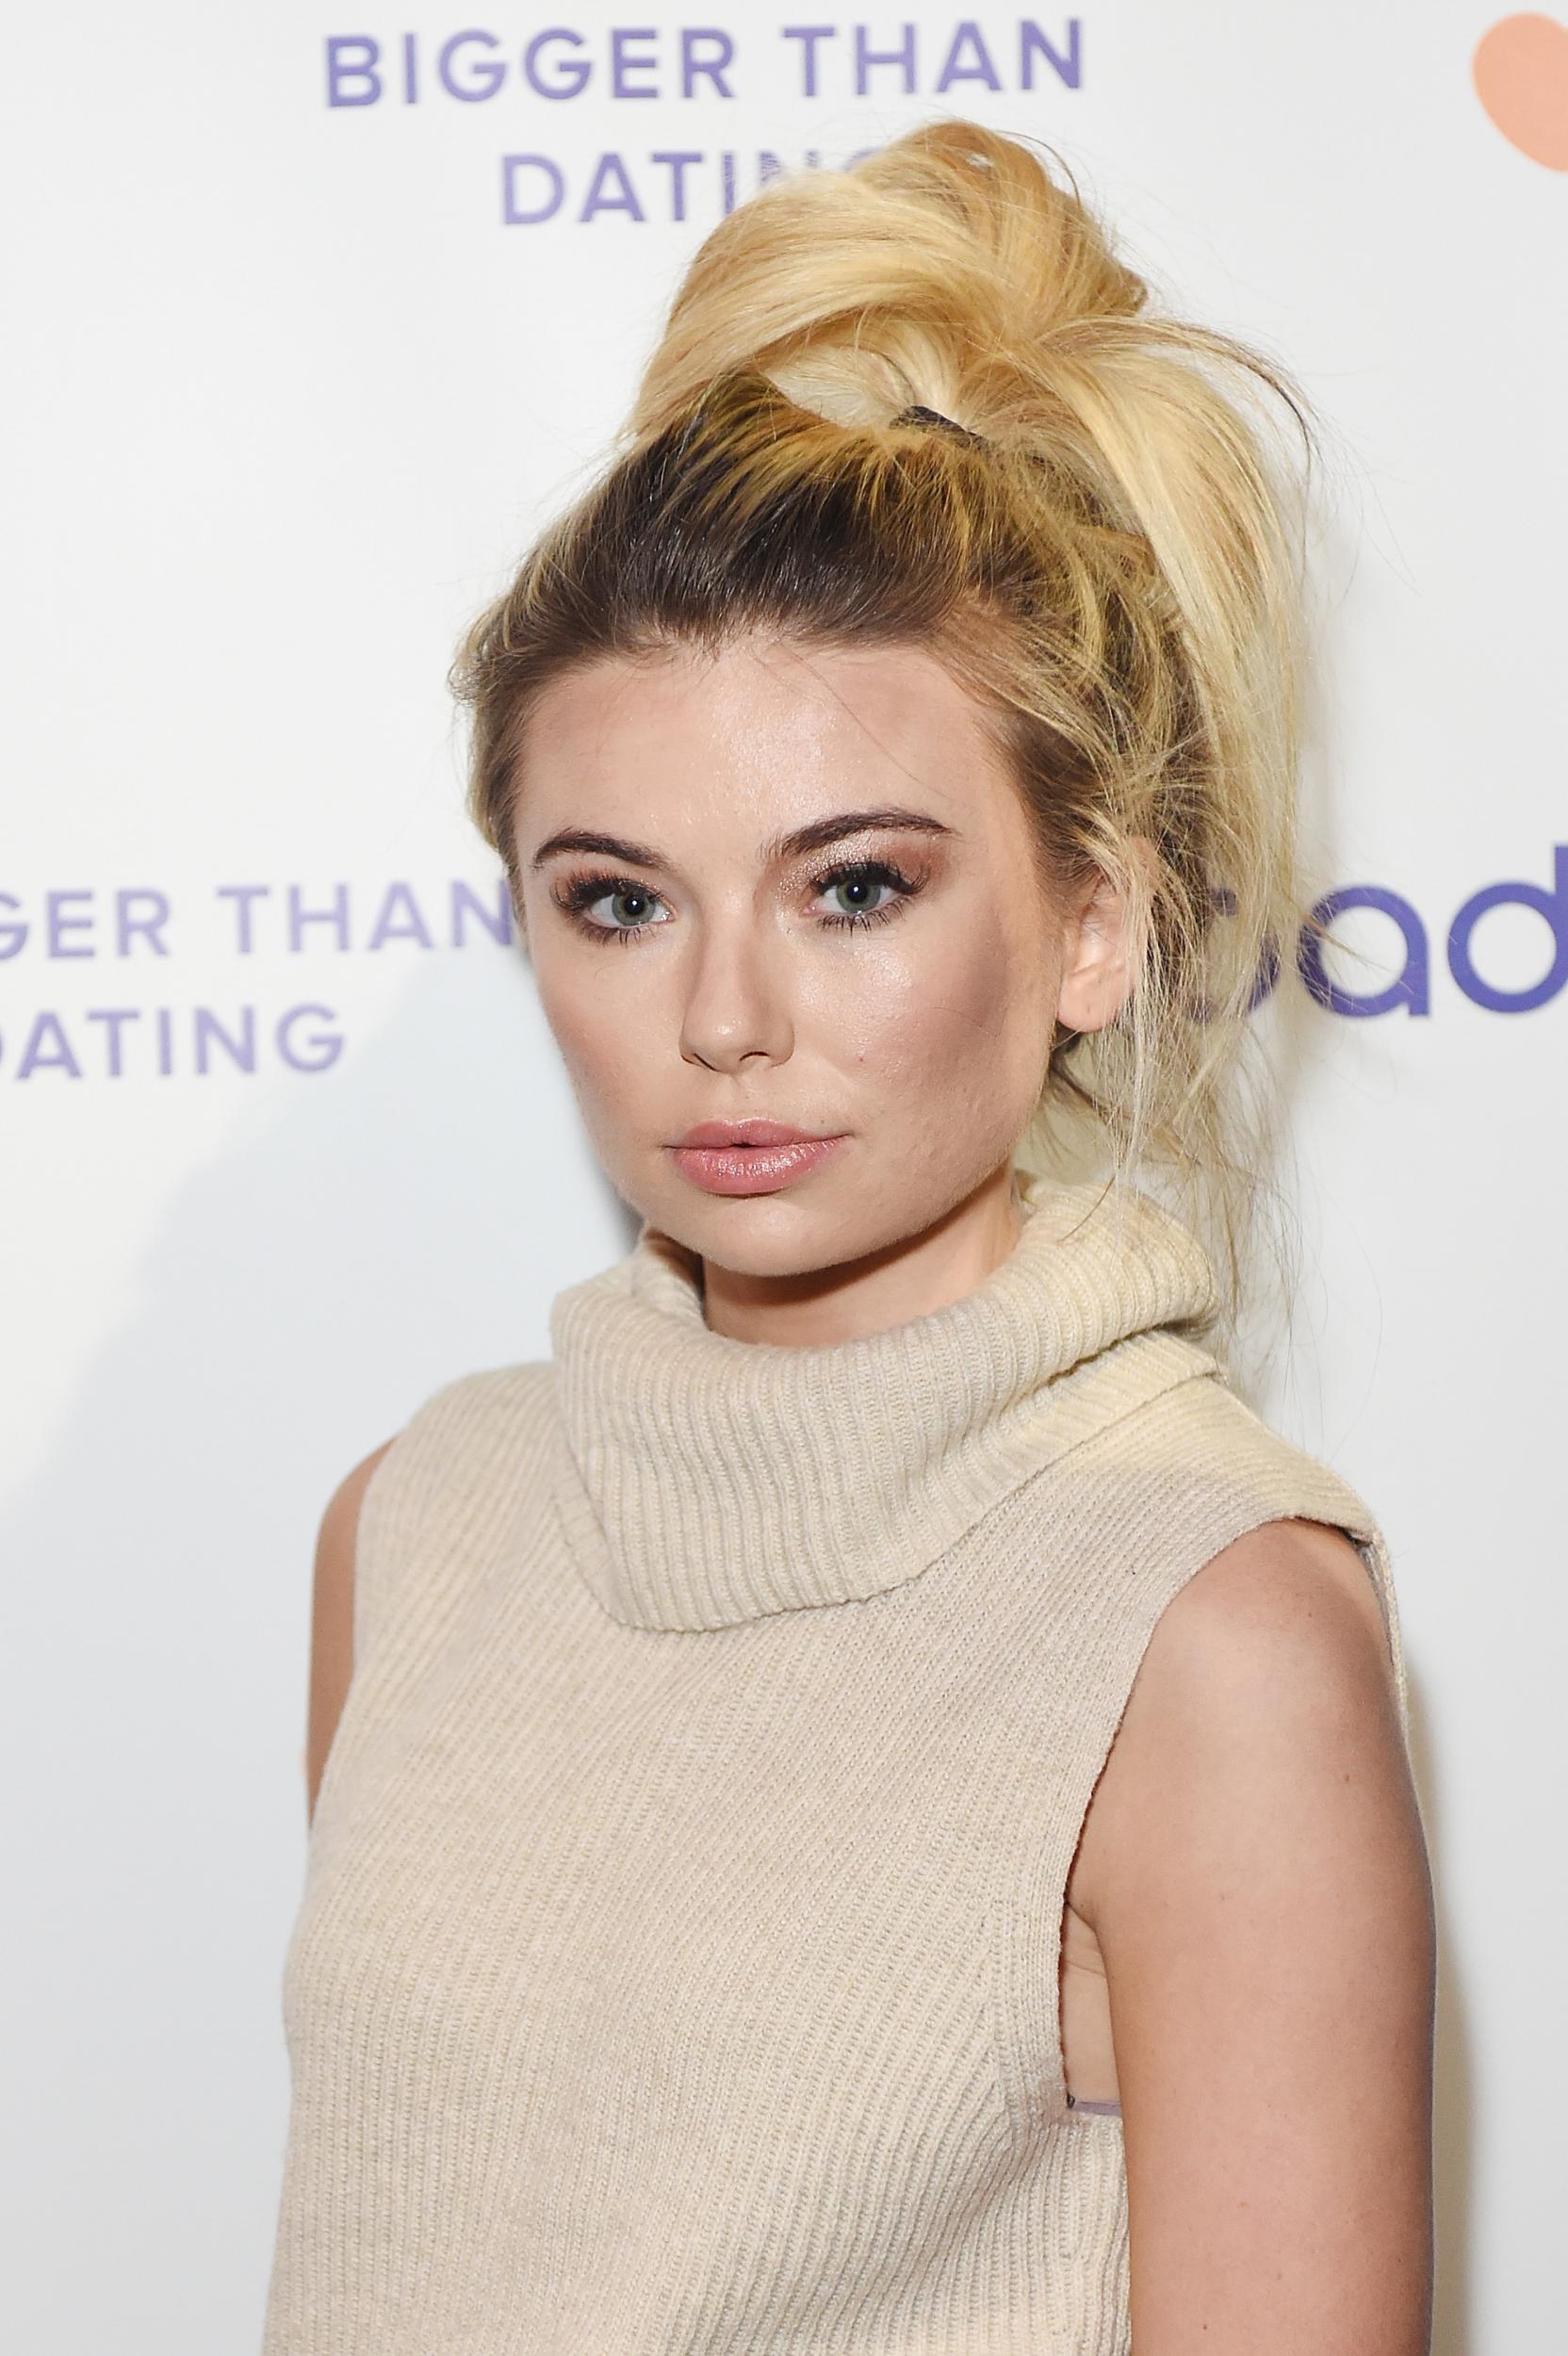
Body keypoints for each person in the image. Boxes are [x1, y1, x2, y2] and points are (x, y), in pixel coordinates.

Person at [261, 120, 1435, 2356]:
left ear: (1092, 921)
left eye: (855, 885)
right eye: (618, 900)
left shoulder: (1206, 1621)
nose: (723, 1015)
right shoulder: (418, 1519)